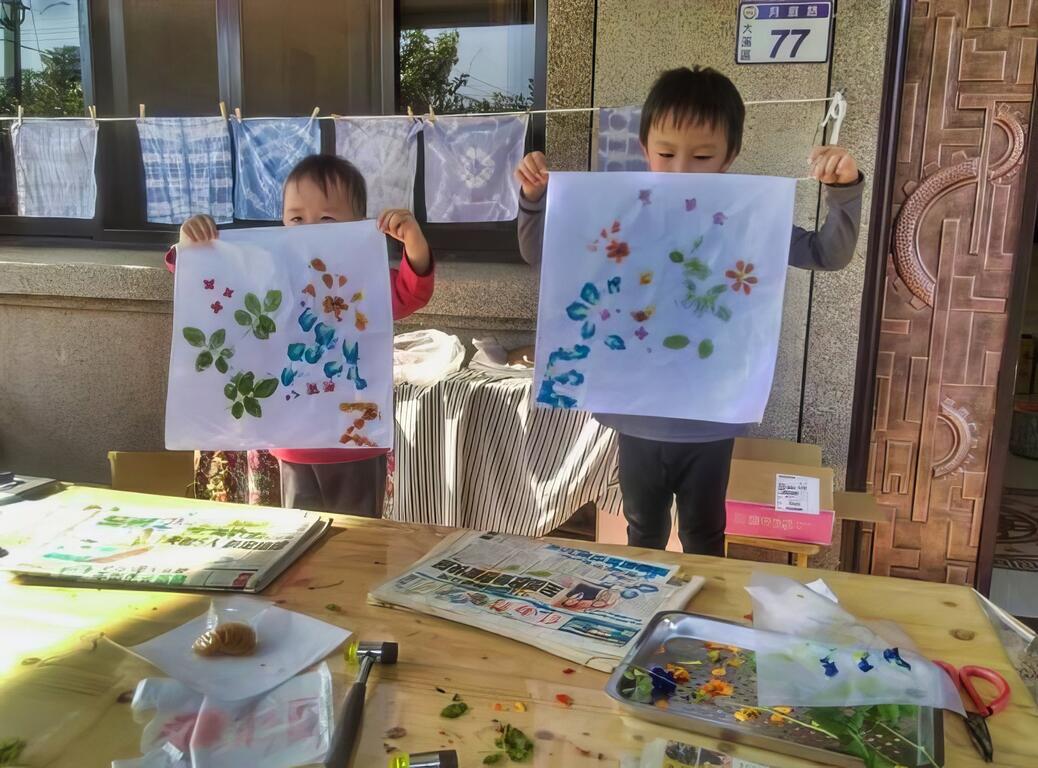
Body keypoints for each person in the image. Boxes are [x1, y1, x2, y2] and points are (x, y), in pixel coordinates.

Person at [514, 66, 864, 556]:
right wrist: (534, 200)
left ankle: (702, 607)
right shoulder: (620, 212)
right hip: (636, 411)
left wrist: (845, 191)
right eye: (666, 153)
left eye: (701, 156)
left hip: (711, 413)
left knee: (703, 532)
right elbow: (540, 253)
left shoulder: (744, 217)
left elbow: (827, 253)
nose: (681, 168)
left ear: (729, 156)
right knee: (642, 530)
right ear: (644, 147)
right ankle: (647, 600)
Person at [166, 154, 434, 516]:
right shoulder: (270, 276)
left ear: (358, 225)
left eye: (326, 219)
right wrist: (193, 249)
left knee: (357, 538)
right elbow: (219, 288)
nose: (309, 229)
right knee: (300, 533)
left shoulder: (362, 281)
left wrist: (413, 241)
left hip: (353, 439)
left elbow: (410, 292)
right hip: (291, 438)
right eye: (296, 218)